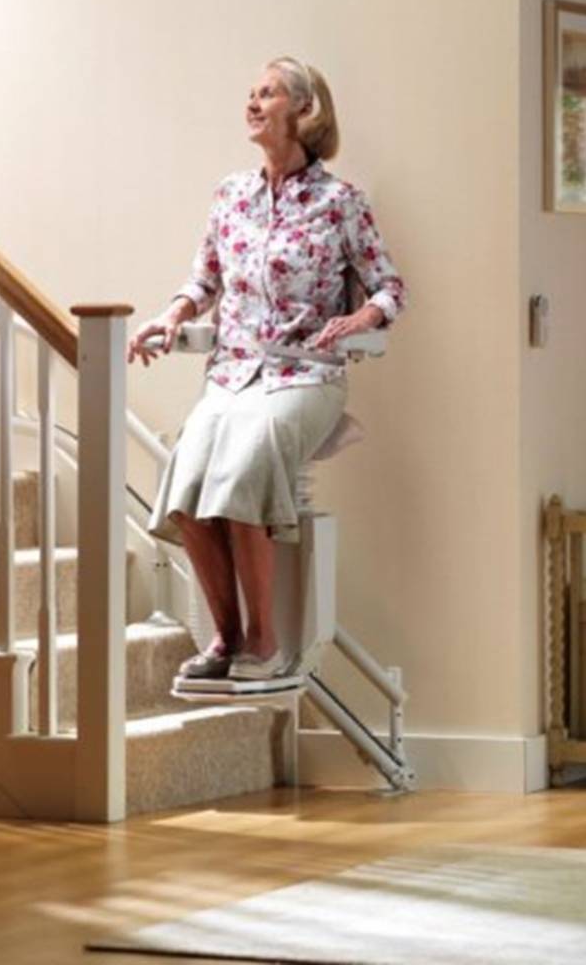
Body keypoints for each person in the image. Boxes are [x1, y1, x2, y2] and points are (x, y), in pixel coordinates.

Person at [127, 57, 407, 681]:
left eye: (268, 93)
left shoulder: (340, 202)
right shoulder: (231, 196)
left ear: (304, 109)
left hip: (306, 375)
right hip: (233, 374)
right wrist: (170, 316)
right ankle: (226, 640)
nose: (252, 103)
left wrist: (360, 319)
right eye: (250, 93)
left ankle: (265, 642)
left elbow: (390, 288)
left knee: (244, 467)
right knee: (185, 478)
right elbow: (204, 280)